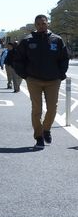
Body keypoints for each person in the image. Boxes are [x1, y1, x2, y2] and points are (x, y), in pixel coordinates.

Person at [11, 14, 71, 148]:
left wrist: (61, 74)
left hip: (53, 80)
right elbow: (18, 60)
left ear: (47, 23)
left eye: (43, 23)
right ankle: (38, 136)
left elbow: (64, 58)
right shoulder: (27, 40)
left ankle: (46, 129)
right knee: (36, 109)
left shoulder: (57, 40)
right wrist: (25, 75)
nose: (41, 26)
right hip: (34, 80)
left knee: (52, 108)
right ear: (35, 25)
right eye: (38, 24)